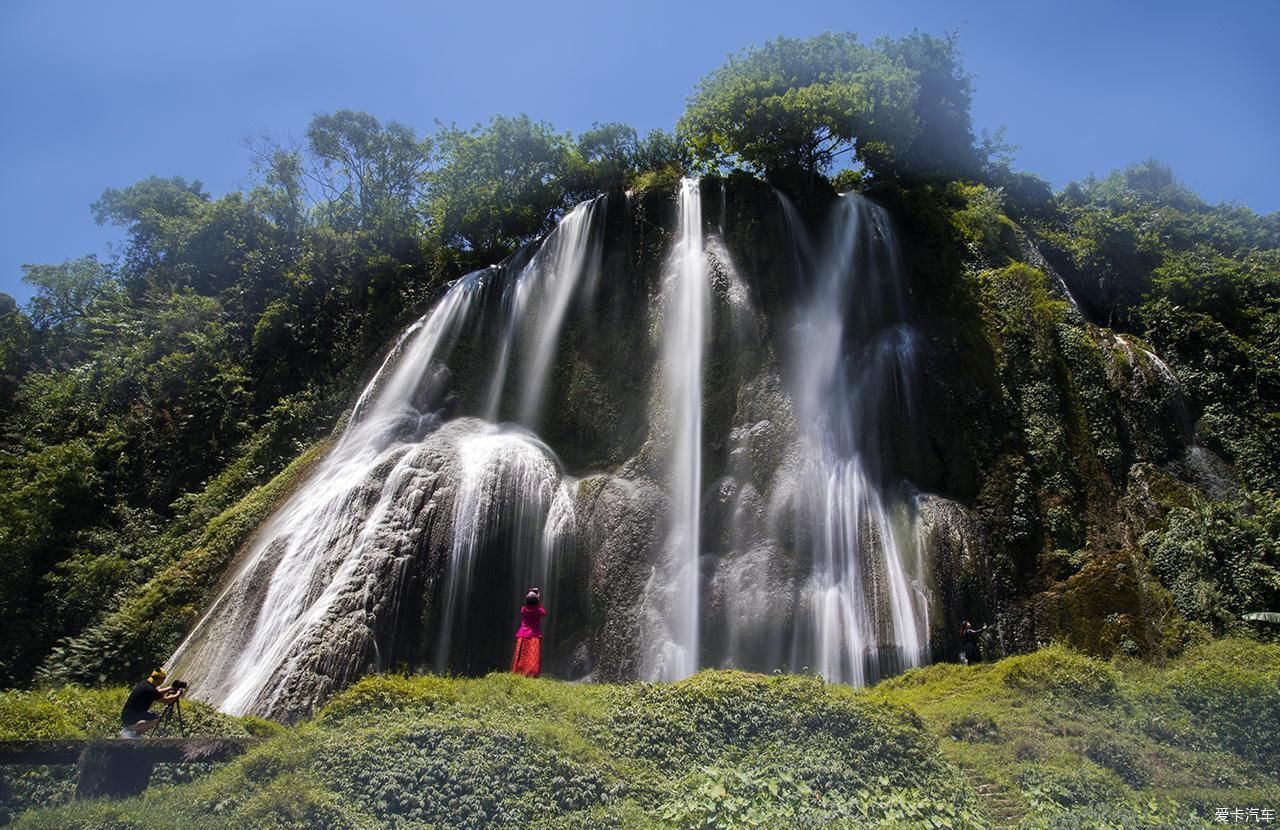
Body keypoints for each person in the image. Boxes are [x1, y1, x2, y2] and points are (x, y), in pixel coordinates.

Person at [119, 668, 182, 738]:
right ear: (159, 679)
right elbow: (166, 700)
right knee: (155, 721)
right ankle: (128, 730)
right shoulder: (149, 689)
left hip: (129, 714)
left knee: (153, 717)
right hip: (131, 716)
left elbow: (156, 693)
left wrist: (170, 688)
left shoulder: (146, 683)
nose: (163, 681)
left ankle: (136, 736)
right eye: (163, 679)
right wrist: (178, 694)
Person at [511, 588, 546, 678]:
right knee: (532, 656)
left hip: (522, 634)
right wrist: (538, 600)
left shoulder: (523, 609)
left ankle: (519, 671)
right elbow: (543, 612)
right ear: (537, 601)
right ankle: (532, 673)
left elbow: (526, 606)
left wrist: (532, 595)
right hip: (534, 635)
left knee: (521, 655)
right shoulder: (539, 611)